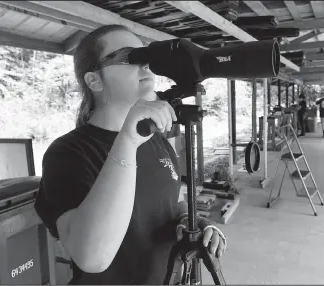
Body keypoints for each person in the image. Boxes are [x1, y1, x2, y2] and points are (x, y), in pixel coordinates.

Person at [34, 24, 227, 285]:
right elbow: (91, 257)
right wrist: (127, 140)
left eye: (146, 57)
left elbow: (173, 201)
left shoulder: (156, 139)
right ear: (94, 80)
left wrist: (193, 221)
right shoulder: (68, 153)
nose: (145, 65)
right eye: (130, 57)